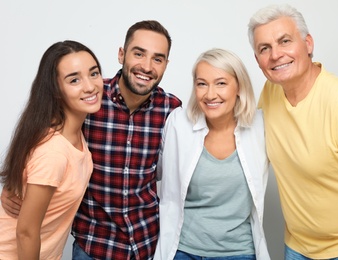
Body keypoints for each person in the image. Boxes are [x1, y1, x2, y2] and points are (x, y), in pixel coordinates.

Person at [1, 20, 182, 259]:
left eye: (157, 59)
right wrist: (14, 185)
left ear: (166, 65)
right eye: (139, 53)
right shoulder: (88, 101)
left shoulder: (172, 110)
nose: (146, 66)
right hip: (95, 245)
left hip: (146, 244)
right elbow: (38, 138)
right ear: (121, 54)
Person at [247, 4, 338, 260]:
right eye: (264, 48)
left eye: (285, 41)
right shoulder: (271, 93)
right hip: (296, 247)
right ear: (258, 61)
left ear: (308, 43)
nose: (276, 55)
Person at [154, 48, 270, 260]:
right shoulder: (178, 123)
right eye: (202, 84)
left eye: (221, 83)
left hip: (239, 252)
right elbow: (154, 173)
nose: (210, 94)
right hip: (183, 250)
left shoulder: (260, 126)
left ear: (239, 87)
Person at [0, 40, 103, 259]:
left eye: (93, 73)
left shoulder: (72, 133)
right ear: (56, 90)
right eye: (74, 79)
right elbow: (26, 232)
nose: (90, 86)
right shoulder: (54, 151)